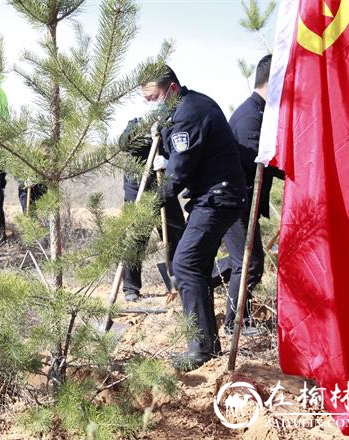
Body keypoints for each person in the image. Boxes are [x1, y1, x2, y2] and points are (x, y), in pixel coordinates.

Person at [144, 66, 247, 371]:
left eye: (155, 97)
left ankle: (201, 350)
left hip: (218, 197)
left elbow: (178, 174)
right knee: (194, 266)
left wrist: (148, 205)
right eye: (147, 100)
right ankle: (208, 347)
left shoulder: (190, 114)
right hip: (214, 196)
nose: (152, 104)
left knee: (185, 264)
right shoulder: (186, 108)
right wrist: (161, 134)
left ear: (172, 89)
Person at [223, 55, 284, 336]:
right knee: (249, 263)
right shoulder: (250, 117)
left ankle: (236, 316)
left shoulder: (259, 113)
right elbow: (257, 163)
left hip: (244, 203)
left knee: (247, 261)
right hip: (237, 203)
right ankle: (234, 323)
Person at [118, 118, 185, 302]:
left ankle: (177, 282)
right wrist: (147, 135)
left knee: (176, 234)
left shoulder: (171, 123)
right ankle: (130, 288)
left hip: (163, 187)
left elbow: (181, 150)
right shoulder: (135, 124)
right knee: (136, 238)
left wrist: (168, 160)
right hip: (137, 189)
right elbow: (124, 144)